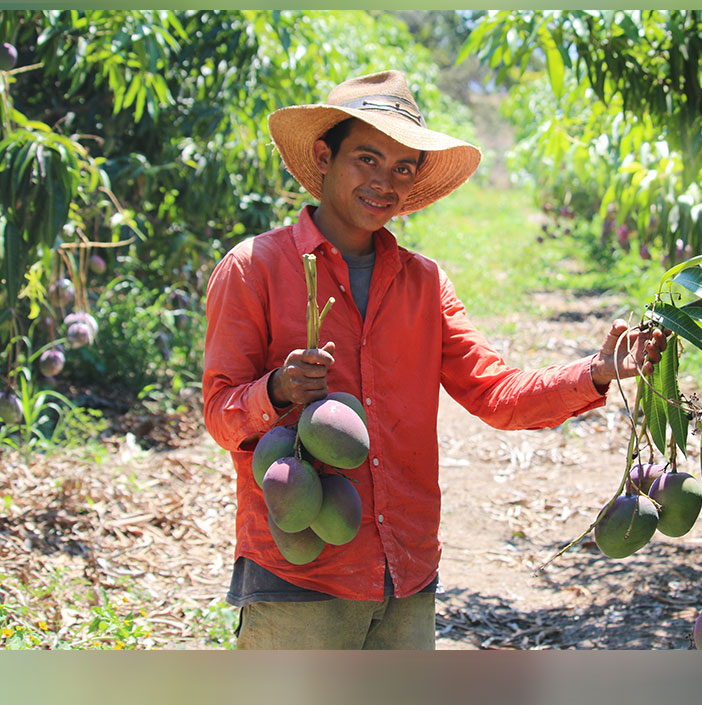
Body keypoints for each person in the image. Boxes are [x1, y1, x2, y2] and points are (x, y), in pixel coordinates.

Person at [202, 70, 667, 650]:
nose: (385, 183)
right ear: (324, 155)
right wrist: (276, 392)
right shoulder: (254, 269)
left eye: (403, 168)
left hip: (407, 574)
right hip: (300, 580)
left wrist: (597, 373)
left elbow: (496, 395)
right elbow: (221, 414)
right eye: (367, 159)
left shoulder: (423, 283)